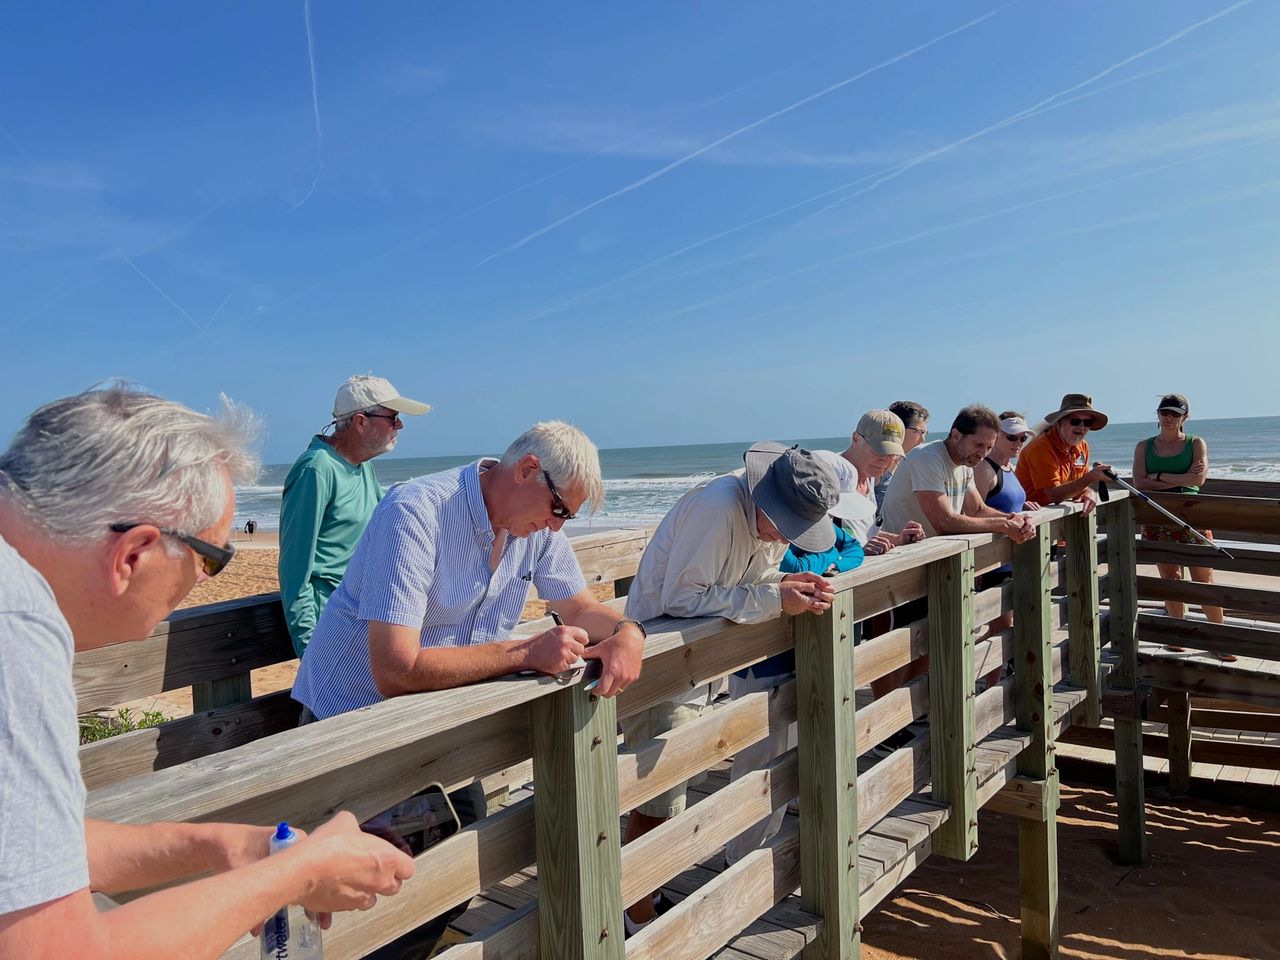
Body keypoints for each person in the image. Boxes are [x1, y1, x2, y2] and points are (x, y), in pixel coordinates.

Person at [0, 385, 413, 960]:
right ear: (134, 554)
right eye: (212, 559)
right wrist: (294, 875)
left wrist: (232, 845)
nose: (206, 579)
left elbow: (33, 850)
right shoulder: (16, 629)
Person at [291, 420, 644, 958]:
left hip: (436, 736)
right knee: (369, 891)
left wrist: (627, 633)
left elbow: (579, 607)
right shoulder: (417, 511)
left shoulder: (534, 528)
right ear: (528, 470)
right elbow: (396, 668)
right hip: (357, 735)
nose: (557, 527)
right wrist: (526, 652)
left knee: (453, 874)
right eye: (559, 511)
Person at [618, 442, 844, 934]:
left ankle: (643, 897)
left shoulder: (761, 517)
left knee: (676, 790)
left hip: (702, 666)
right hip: (660, 667)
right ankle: (633, 915)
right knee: (661, 799)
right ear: (765, 500)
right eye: (786, 525)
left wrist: (790, 580)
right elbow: (681, 599)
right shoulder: (717, 508)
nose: (786, 535)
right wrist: (774, 596)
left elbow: (753, 579)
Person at [279, 374, 431, 658]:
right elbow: (294, 572)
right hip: (330, 632)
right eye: (392, 416)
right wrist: (312, 652)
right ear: (361, 421)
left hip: (362, 625)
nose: (399, 425)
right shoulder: (316, 469)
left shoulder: (361, 466)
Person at [1132, 393, 1231, 658]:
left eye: (1175, 414)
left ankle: (1219, 639)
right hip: (1156, 517)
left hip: (1192, 517)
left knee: (1203, 579)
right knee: (1171, 578)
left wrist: (1159, 475)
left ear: (1184, 417)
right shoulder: (1144, 446)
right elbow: (1139, 482)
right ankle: (1178, 634)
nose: (1168, 418)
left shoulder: (1195, 443)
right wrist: (1179, 479)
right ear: (1158, 415)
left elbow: (1198, 480)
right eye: (1164, 412)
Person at [879, 404, 1038, 543]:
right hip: (901, 556)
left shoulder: (966, 463)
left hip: (932, 555)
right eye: (978, 444)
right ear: (956, 435)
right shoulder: (927, 458)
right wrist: (1004, 525)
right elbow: (944, 522)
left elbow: (977, 510)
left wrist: (1016, 519)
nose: (982, 454)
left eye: (989, 448)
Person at [814, 409, 926, 556]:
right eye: (879, 451)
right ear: (855, 438)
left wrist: (899, 539)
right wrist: (858, 552)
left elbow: (862, 534)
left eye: (892, 455)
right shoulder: (830, 474)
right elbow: (812, 540)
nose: (885, 461)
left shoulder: (870, 476)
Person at [1015, 393, 1113, 515]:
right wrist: (1091, 477)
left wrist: (1089, 492)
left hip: (1057, 517)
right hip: (1031, 518)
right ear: (1060, 422)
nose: (1082, 427)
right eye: (1075, 421)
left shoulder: (1082, 446)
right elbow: (1054, 495)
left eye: (1087, 422)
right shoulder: (1041, 448)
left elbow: (1076, 485)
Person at [874, 400, 930, 511]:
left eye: (924, 433)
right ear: (899, 429)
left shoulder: (911, 466)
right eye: (917, 432)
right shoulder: (874, 465)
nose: (923, 439)